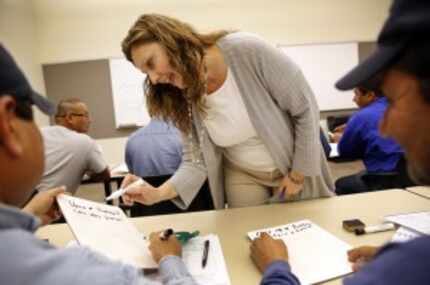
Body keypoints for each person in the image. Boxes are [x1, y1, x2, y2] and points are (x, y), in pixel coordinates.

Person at [250, 0, 430, 284]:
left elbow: (345, 152)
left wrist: (276, 267)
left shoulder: (411, 266)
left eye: (394, 100)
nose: (385, 125)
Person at [0, 44, 197, 285]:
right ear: (6, 125)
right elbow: (104, 175)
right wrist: (170, 259)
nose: (90, 120)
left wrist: (28, 215)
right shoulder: (84, 274)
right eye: (31, 116)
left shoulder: (134, 140)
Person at [119, 14, 334, 209]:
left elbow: (305, 110)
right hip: (242, 173)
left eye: (151, 63)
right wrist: (156, 194)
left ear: (172, 40)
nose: (154, 79)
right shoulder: (180, 94)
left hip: (293, 167)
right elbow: (195, 162)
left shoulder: (248, 50)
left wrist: (297, 175)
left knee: (306, 232)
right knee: (247, 239)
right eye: (146, 73)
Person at [332, 85, 411, 195]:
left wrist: (340, 139)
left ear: (370, 95)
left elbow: (347, 152)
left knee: (341, 184)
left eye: (356, 94)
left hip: (384, 179)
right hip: (414, 176)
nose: (353, 99)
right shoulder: (406, 108)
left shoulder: (361, 116)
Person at [35, 98, 110, 195]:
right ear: (70, 118)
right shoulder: (85, 142)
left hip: (21, 203)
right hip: (51, 206)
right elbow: (104, 175)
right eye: (85, 115)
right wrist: (87, 170)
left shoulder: (38, 133)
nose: (90, 120)